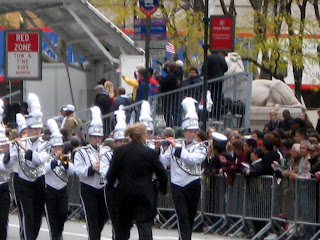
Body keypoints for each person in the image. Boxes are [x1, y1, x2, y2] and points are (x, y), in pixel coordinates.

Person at [106, 122, 168, 240]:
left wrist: (109, 187)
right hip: (144, 193)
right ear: (143, 135)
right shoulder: (150, 153)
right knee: (144, 225)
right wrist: (163, 189)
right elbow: (162, 173)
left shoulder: (119, 151)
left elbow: (111, 173)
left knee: (122, 227)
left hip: (124, 192)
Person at [160, 97, 207, 240]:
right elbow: (163, 161)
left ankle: (185, 237)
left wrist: (176, 147)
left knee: (191, 216)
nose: (192, 134)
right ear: (184, 131)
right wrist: (162, 148)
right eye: (189, 131)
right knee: (182, 216)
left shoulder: (201, 146)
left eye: (194, 131)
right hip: (177, 185)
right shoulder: (177, 144)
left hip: (193, 183)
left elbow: (193, 160)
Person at [5, 93, 50, 240]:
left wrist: (24, 148)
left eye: (39, 128)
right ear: (28, 129)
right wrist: (7, 152)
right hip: (22, 183)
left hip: (38, 182)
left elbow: (38, 159)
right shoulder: (17, 144)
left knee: (37, 218)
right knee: (28, 216)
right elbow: (9, 164)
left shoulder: (45, 145)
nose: (37, 131)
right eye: (34, 128)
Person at [74, 106, 110, 240]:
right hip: (89, 188)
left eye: (99, 137)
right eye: (94, 137)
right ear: (89, 137)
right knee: (92, 216)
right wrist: (92, 168)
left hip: (103, 187)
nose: (97, 140)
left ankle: (95, 234)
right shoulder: (81, 152)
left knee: (104, 215)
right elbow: (78, 170)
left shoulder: (106, 150)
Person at [44, 119, 75, 240]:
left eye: (60, 147)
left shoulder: (65, 157)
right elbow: (44, 170)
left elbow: (72, 171)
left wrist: (64, 162)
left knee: (62, 214)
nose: (58, 149)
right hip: (50, 189)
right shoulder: (47, 157)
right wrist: (54, 162)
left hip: (62, 189)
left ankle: (59, 232)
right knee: (52, 216)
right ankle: (55, 236)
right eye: (55, 147)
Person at [100, 108, 128, 240]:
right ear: (115, 143)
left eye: (124, 141)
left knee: (126, 223)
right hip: (113, 190)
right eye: (119, 141)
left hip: (127, 191)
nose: (122, 144)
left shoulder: (131, 155)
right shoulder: (107, 155)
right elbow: (105, 172)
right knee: (116, 221)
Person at [206, 52, 228, 120]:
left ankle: (213, 114)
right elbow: (226, 68)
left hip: (211, 80)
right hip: (220, 80)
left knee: (212, 97)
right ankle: (217, 114)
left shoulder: (209, 57)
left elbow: (205, 67)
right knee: (218, 97)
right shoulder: (222, 58)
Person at [0, 122, 11, 240]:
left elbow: (6, 167)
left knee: (2, 221)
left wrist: (7, 153)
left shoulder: (7, 156)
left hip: (3, 188)